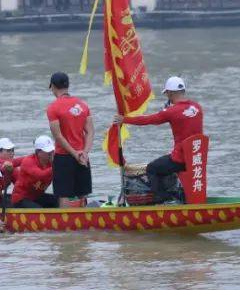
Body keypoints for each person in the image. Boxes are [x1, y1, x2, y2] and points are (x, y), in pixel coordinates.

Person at [114, 76, 204, 204]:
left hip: (181, 159)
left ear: (170, 93)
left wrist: (124, 119)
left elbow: (149, 120)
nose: (167, 96)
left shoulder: (171, 111)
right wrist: (168, 109)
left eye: (167, 93)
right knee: (165, 163)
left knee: (152, 168)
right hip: (196, 157)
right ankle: (176, 194)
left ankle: (163, 199)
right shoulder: (197, 107)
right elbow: (184, 119)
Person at [45, 71, 93, 207]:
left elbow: (58, 136)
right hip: (83, 156)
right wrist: (84, 152)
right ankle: (84, 223)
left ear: (53, 86)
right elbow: (90, 131)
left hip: (64, 157)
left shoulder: (53, 108)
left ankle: (64, 226)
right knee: (82, 193)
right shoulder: (83, 105)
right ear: (68, 86)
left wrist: (74, 154)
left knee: (64, 194)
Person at [11, 136, 58, 208]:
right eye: (48, 151)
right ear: (38, 152)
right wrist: (57, 166)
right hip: (21, 199)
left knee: (58, 201)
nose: (51, 153)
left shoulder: (52, 162)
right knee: (40, 211)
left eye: (52, 150)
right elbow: (41, 175)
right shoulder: (28, 161)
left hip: (36, 197)